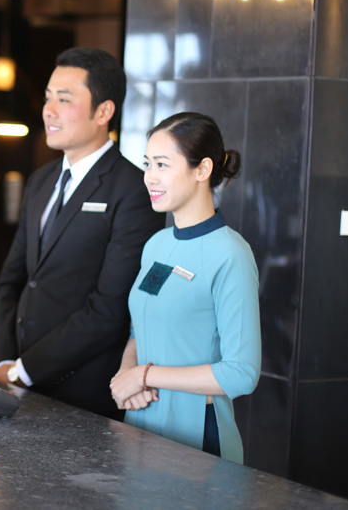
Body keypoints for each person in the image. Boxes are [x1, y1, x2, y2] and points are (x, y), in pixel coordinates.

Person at [0, 47, 165, 418]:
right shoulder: (41, 180)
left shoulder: (133, 190)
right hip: (16, 380)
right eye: (48, 97)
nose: (48, 110)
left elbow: (109, 308)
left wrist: (25, 370)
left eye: (64, 100)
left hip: (82, 393)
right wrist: (5, 362)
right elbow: (12, 281)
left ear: (103, 112)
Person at [109, 112, 261, 463]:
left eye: (162, 164)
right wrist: (127, 375)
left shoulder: (231, 255)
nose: (150, 177)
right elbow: (141, 330)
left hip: (196, 437)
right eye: (148, 164)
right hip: (141, 422)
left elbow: (241, 373)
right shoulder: (157, 245)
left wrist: (144, 375)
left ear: (202, 169)